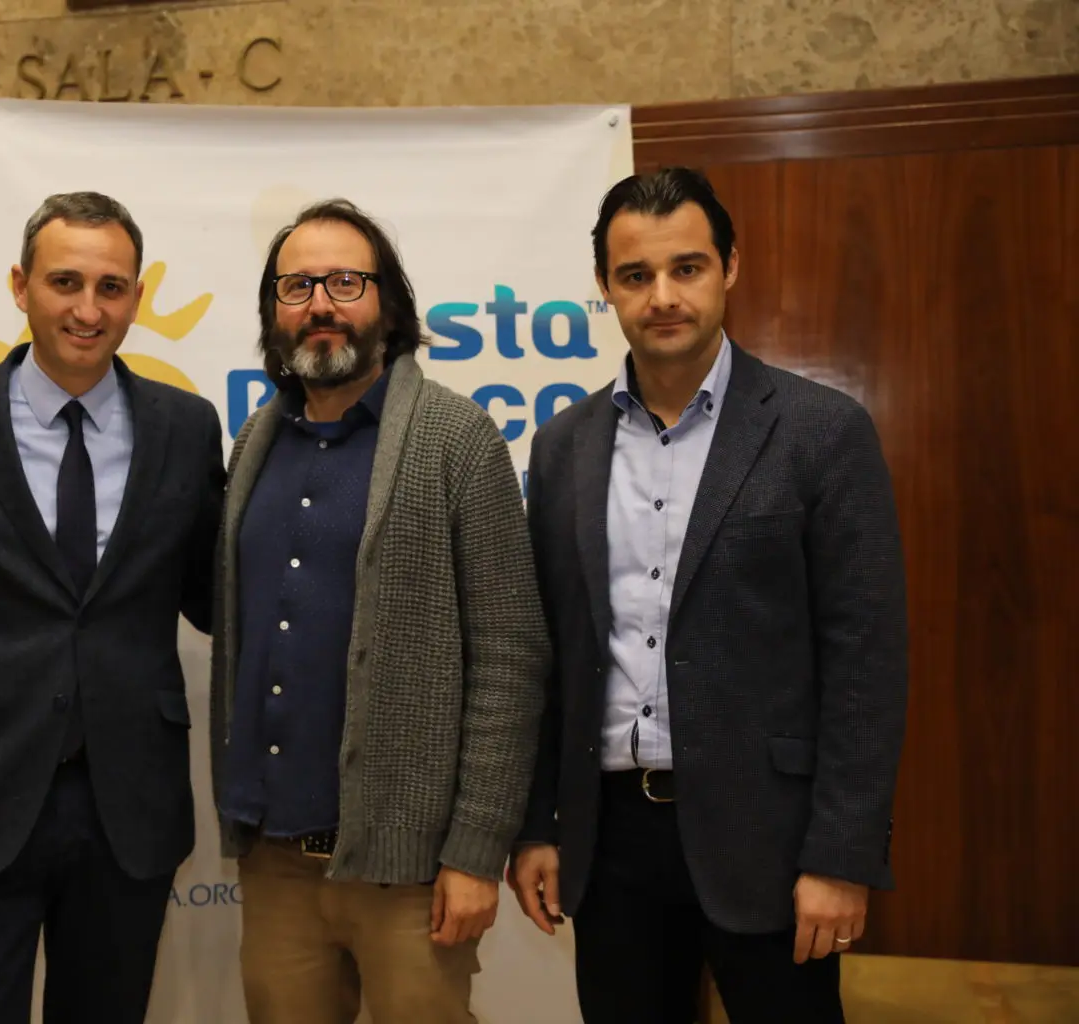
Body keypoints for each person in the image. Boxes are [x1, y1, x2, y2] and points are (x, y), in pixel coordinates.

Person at [509, 167, 909, 1024]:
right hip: (610, 842)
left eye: (686, 267)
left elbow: (865, 660)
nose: (662, 296)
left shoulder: (821, 431)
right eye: (635, 275)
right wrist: (538, 824)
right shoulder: (562, 446)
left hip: (772, 841)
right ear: (605, 287)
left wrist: (841, 853)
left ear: (730, 266)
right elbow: (549, 654)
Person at [0, 191, 225, 1024]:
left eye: (111, 288)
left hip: (126, 805)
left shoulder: (186, 426)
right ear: (19, 286)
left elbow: (213, 597)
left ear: (136, 299)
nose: (87, 310)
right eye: (65, 282)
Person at [210, 198, 549, 1023]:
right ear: (274, 311)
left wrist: (476, 850)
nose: (320, 304)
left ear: (388, 304)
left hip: (412, 873)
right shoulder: (255, 443)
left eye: (345, 282)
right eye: (297, 286)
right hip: (276, 863)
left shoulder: (457, 438)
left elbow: (510, 659)